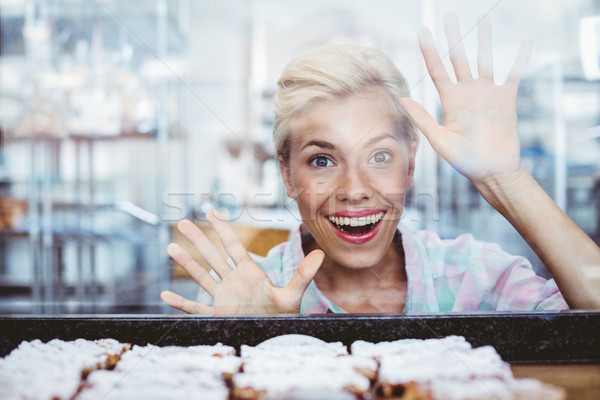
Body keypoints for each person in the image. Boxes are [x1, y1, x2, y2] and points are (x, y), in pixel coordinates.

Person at [160, 11, 600, 314]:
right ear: (286, 174)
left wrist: (505, 177)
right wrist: (253, 340)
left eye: (381, 156)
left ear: (410, 167)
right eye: (321, 160)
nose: (354, 189)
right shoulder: (250, 291)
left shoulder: (474, 275)